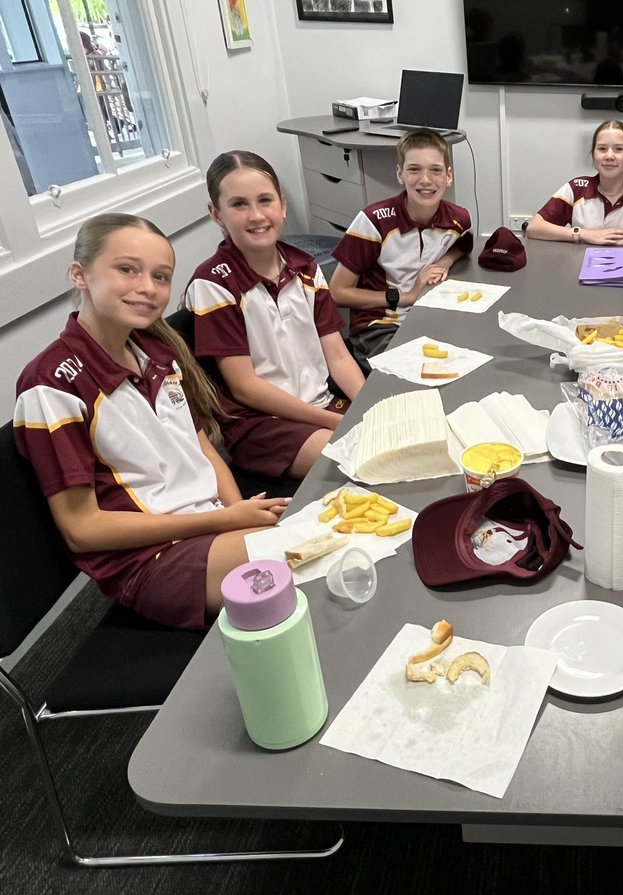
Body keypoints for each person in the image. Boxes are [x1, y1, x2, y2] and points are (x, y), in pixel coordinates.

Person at [13, 214, 288, 630]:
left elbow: (201, 447)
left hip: (208, 525)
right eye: (127, 269)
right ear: (79, 274)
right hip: (152, 559)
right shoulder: (51, 385)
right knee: (310, 557)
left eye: (161, 277)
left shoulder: (156, 352)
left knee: (332, 533)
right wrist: (223, 521)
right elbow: (82, 530)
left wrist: (238, 511)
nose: (147, 287)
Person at [186, 150, 364, 479]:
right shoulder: (213, 284)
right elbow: (245, 387)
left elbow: (337, 355)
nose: (256, 215)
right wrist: (333, 421)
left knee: (405, 434)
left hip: (320, 406)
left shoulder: (306, 268)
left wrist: (368, 403)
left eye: (265, 200)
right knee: (360, 457)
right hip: (262, 426)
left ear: (282, 205)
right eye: (239, 204)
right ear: (217, 214)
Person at [329, 129, 473, 360]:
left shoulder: (458, 219)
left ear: (448, 176)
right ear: (400, 174)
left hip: (427, 313)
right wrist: (404, 296)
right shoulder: (374, 221)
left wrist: (444, 262)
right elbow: (336, 292)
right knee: (417, 372)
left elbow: (464, 245)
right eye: (414, 169)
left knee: (466, 353)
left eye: (435, 170)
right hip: (380, 325)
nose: (425, 180)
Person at [526, 119, 623, 246]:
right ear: (593, 155)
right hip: (580, 271)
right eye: (602, 148)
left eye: (618, 149)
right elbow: (534, 228)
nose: (609, 156)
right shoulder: (576, 188)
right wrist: (583, 234)